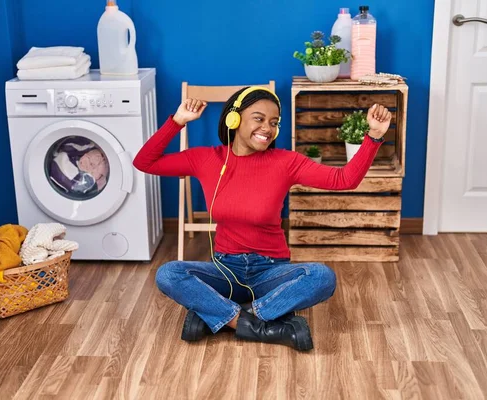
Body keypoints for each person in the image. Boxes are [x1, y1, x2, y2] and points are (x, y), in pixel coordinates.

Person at [133, 86, 392, 351]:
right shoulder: (207, 159)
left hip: (271, 272)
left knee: (321, 277)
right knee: (169, 274)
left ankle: (225, 317)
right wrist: (177, 122)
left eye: (274, 122)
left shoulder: (286, 162)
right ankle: (259, 324)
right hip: (226, 270)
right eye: (258, 118)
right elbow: (144, 162)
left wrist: (373, 136)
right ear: (234, 119)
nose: (267, 128)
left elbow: (345, 179)